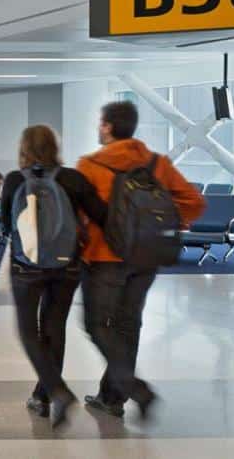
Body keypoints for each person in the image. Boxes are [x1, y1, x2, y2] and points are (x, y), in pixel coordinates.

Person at [75, 101, 205, 422]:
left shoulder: (90, 165)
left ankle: (136, 388)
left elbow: (78, 215)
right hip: (145, 257)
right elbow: (194, 201)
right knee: (128, 324)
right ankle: (111, 398)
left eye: (100, 123)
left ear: (107, 127)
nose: (99, 127)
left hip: (104, 257)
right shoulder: (157, 163)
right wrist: (161, 224)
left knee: (96, 325)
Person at [0, 125, 106, 428]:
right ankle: (44, 395)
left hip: (26, 265)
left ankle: (57, 392)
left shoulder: (15, 180)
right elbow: (102, 215)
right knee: (54, 327)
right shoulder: (73, 178)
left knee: (27, 330)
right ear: (54, 147)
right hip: (66, 266)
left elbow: (7, 225)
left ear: (24, 148)